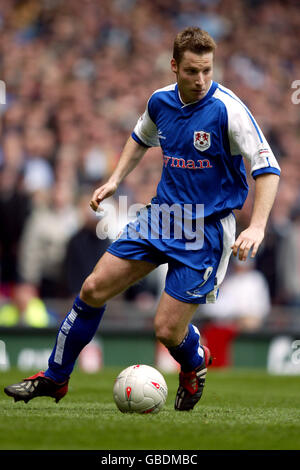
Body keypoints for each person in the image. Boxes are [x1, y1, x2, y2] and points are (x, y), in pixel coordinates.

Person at [4, 27, 280, 411]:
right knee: (93, 288)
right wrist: (115, 180)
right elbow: (140, 137)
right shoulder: (159, 103)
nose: (200, 80)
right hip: (161, 218)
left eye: (207, 71)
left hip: (207, 231)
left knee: (166, 330)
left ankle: (195, 361)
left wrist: (258, 226)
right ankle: (55, 378)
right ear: (174, 66)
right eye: (191, 71)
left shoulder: (229, 111)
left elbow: (267, 168)